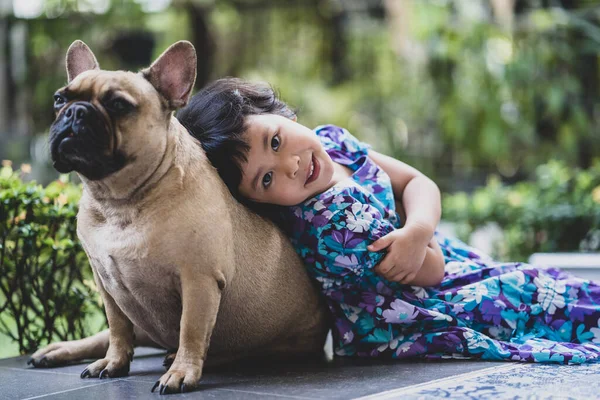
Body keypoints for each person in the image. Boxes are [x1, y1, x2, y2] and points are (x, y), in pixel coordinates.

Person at [177, 78, 600, 364]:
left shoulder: (332, 141)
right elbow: (430, 272)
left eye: (276, 140)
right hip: (415, 310)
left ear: (279, 114)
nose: (290, 165)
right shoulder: (334, 223)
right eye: (266, 179)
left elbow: (417, 180)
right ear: (256, 202)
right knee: (534, 291)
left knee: (548, 283)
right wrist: (419, 230)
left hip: (433, 254)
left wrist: (417, 229)